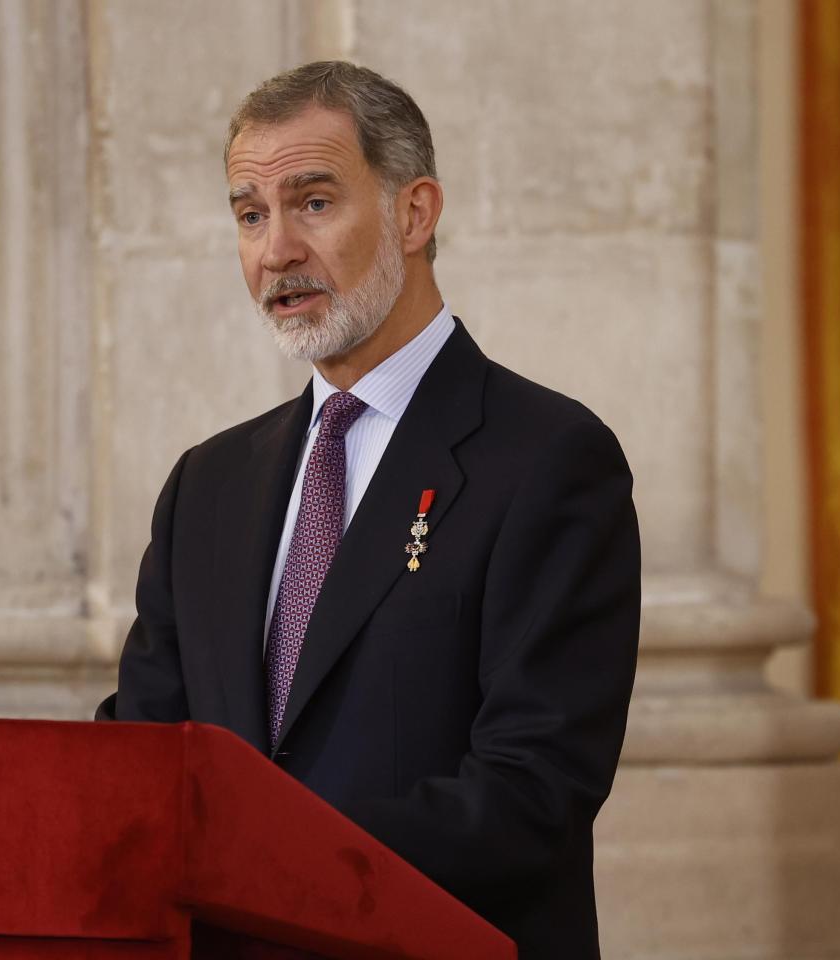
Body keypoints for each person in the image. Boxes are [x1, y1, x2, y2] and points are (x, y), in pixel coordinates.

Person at [98, 61, 641, 958]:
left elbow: (532, 788)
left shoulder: (547, 458)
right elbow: (146, 761)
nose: (276, 251)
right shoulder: (209, 484)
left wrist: (269, 855)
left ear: (414, 213)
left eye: (313, 202)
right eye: (249, 214)